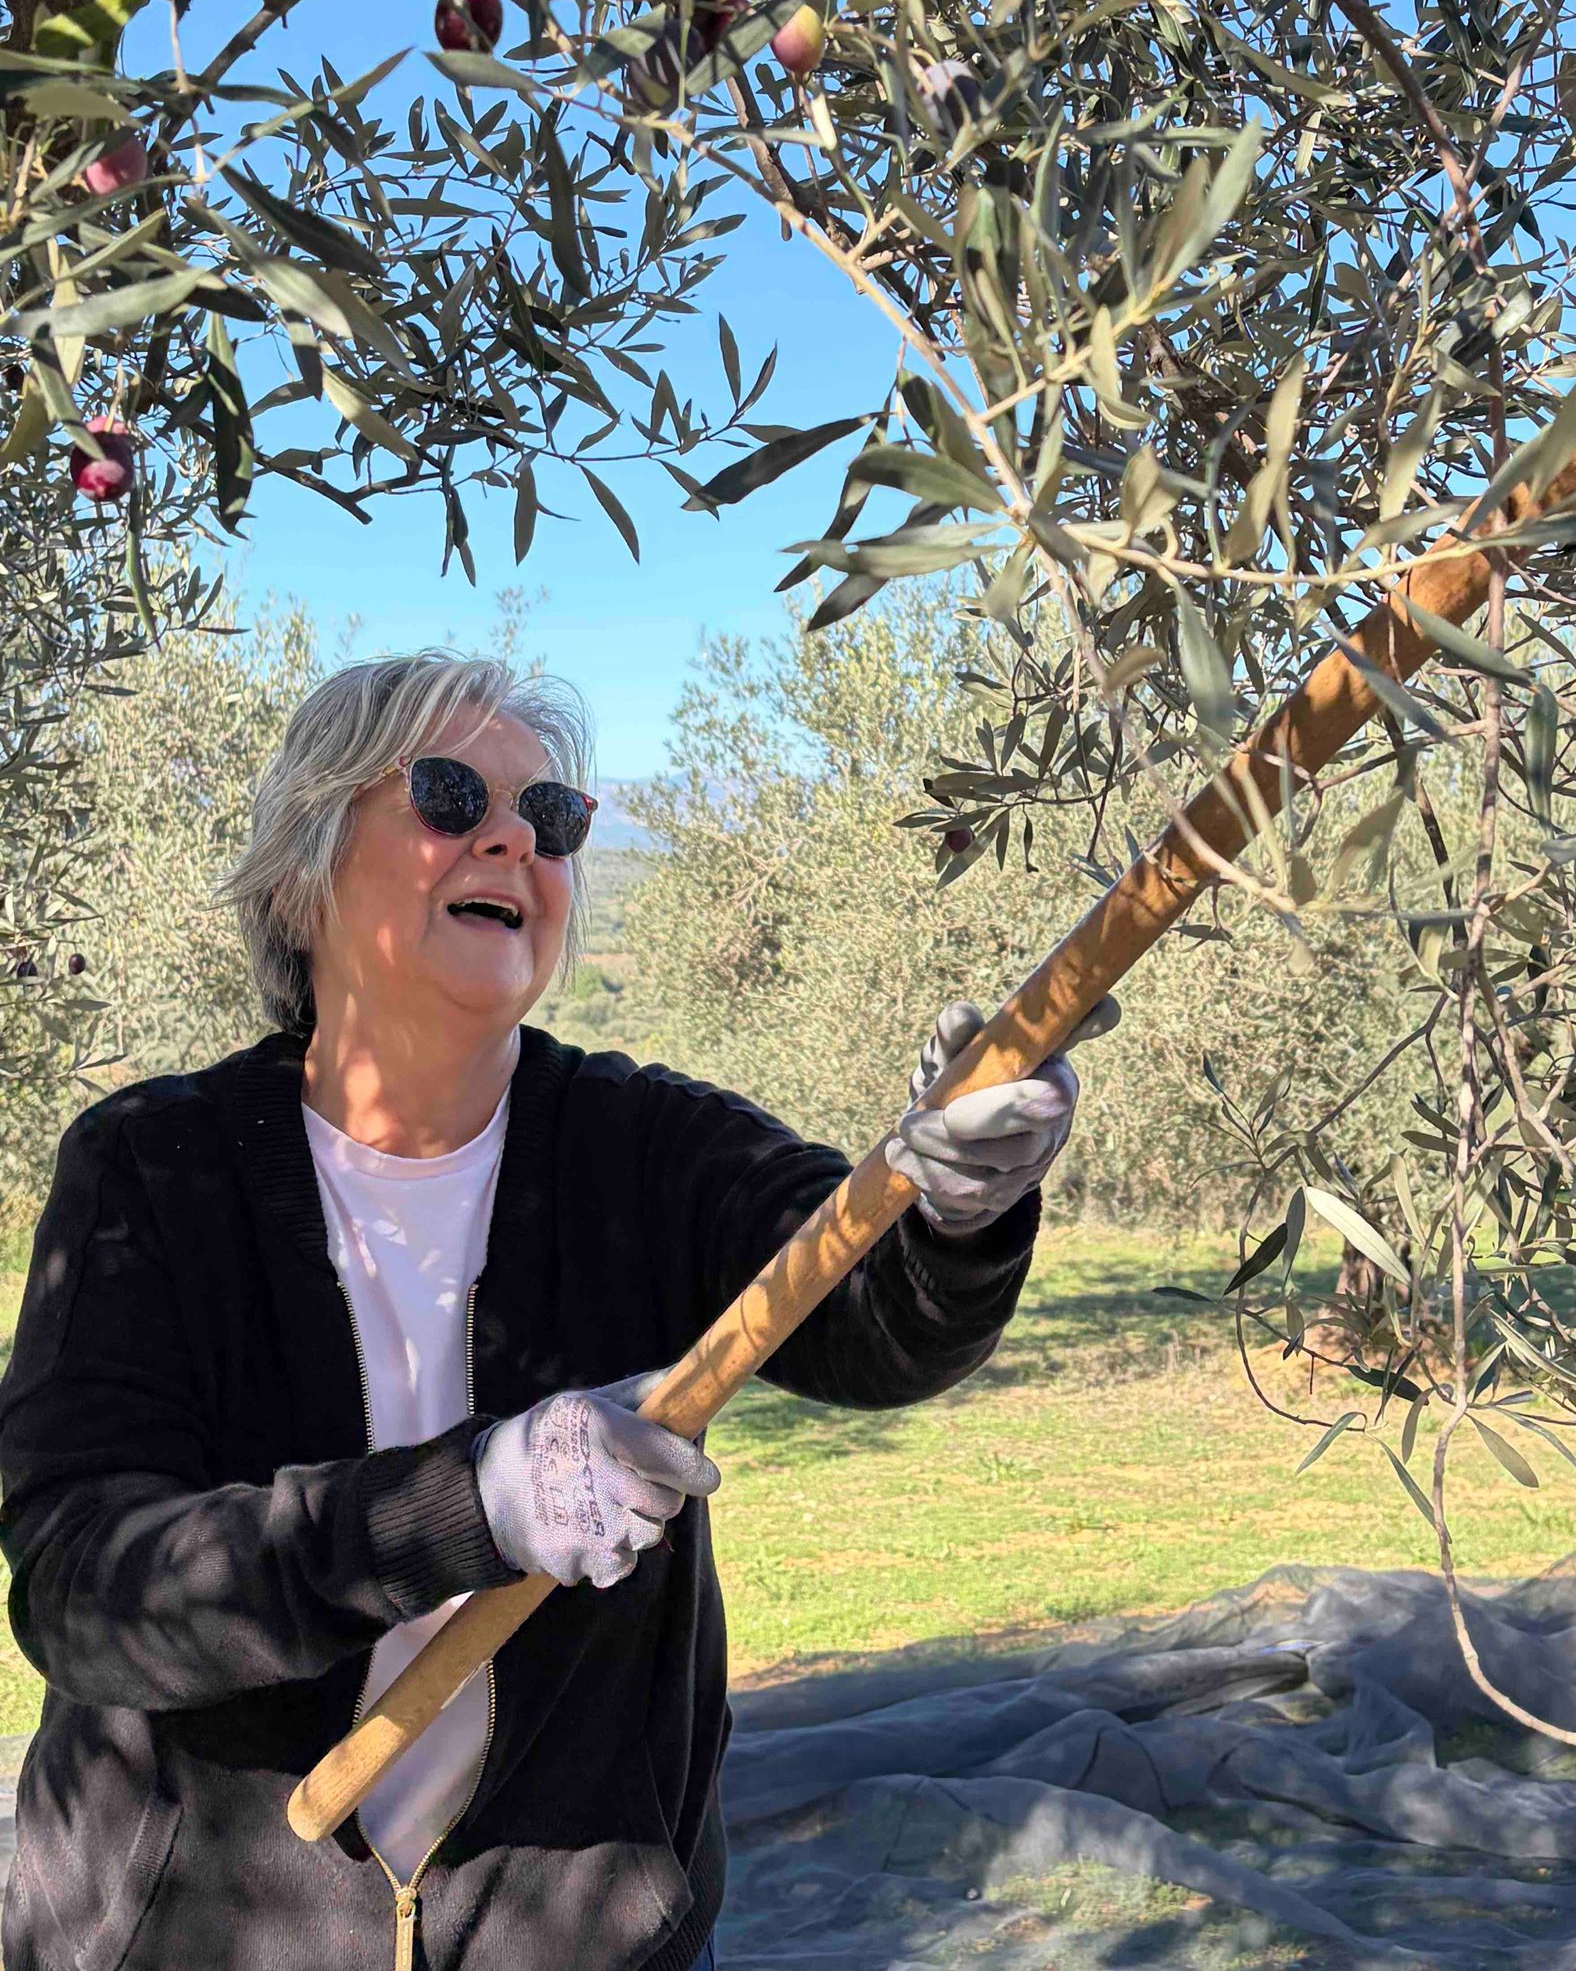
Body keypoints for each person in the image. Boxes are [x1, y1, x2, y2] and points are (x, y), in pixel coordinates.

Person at [0, 650, 1116, 1971]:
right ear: (307, 865)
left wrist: (953, 1215)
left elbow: (868, 1313)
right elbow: (85, 1585)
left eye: (556, 819)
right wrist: (471, 1506)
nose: (516, 836)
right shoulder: (153, 1169)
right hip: (185, 1935)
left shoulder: (639, 1145)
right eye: (450, 793)